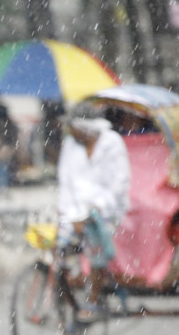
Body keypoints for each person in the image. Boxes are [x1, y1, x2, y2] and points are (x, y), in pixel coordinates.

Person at [56, 103, 131, 322]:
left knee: (95, 240)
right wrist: (68, 213)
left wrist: (94, 210)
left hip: (108, 209)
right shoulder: (70, 145)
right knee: (59, 249)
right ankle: (70, 287)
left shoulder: (112, 144)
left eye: (74, 127)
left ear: (85, 128)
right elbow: (65, 184)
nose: (70, 132)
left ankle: (94, 298)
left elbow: (119, 185)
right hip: (75, 211)